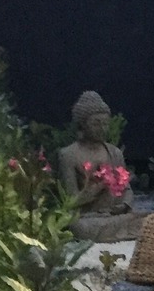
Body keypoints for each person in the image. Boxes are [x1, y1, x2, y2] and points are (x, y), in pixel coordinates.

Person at [58, 91, 147, 242]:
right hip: (88, 218)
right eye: (96, 123)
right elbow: (70, 202)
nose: (102, 128)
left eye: (105, 123)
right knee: (79, 227)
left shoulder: (114, 153)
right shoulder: (68, 155)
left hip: (114, 216)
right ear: (82, 125)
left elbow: (127, 189)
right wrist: (94, 190)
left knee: (149, 220)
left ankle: (117, 231)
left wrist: (124, 204)